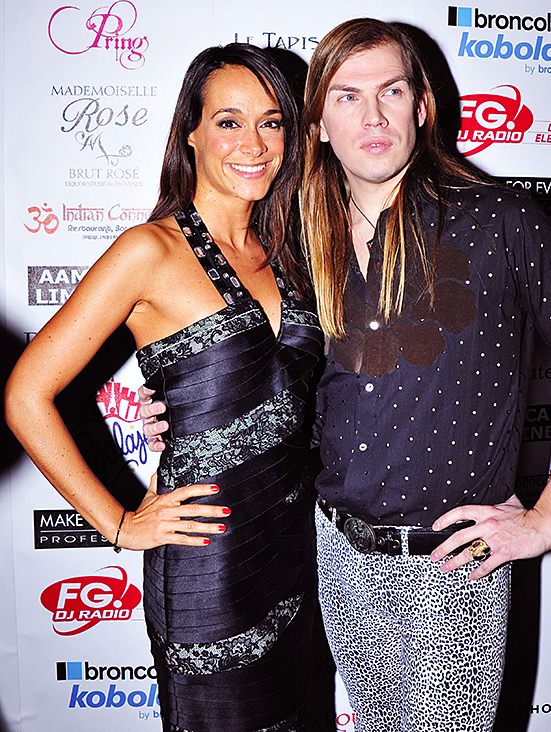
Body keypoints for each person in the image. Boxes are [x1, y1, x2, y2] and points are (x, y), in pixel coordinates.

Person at [140, 18, 551, 732]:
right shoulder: (297, 242)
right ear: (316, 127)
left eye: (391, 92)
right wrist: (192, 404)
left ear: (421, 107)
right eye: (346, 96)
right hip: (333, 561)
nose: (372, 116)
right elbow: (279, 376)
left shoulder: (500, 221)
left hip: (454, 575)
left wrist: (548, 518)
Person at [6, 44, 322, 732]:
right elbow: (26, 394)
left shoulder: (292, 251)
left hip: (297, 548)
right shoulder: (148, 251)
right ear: (192, 134)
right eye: (229, 122)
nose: (253, 144)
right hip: (207, 562)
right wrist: (119, 523)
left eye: (271, 123)